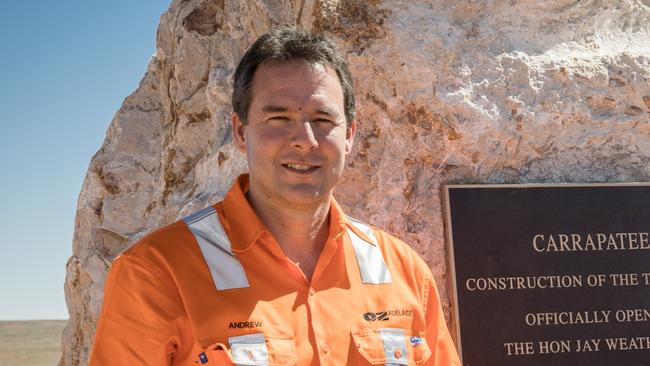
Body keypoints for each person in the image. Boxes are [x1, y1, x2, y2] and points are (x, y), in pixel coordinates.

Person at [89, 28, 461, 366]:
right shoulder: (157, 273)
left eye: (323, 120)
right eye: (279, 118)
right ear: (240, 131)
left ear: (350, 136)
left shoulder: (404, 271)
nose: (304, 139)